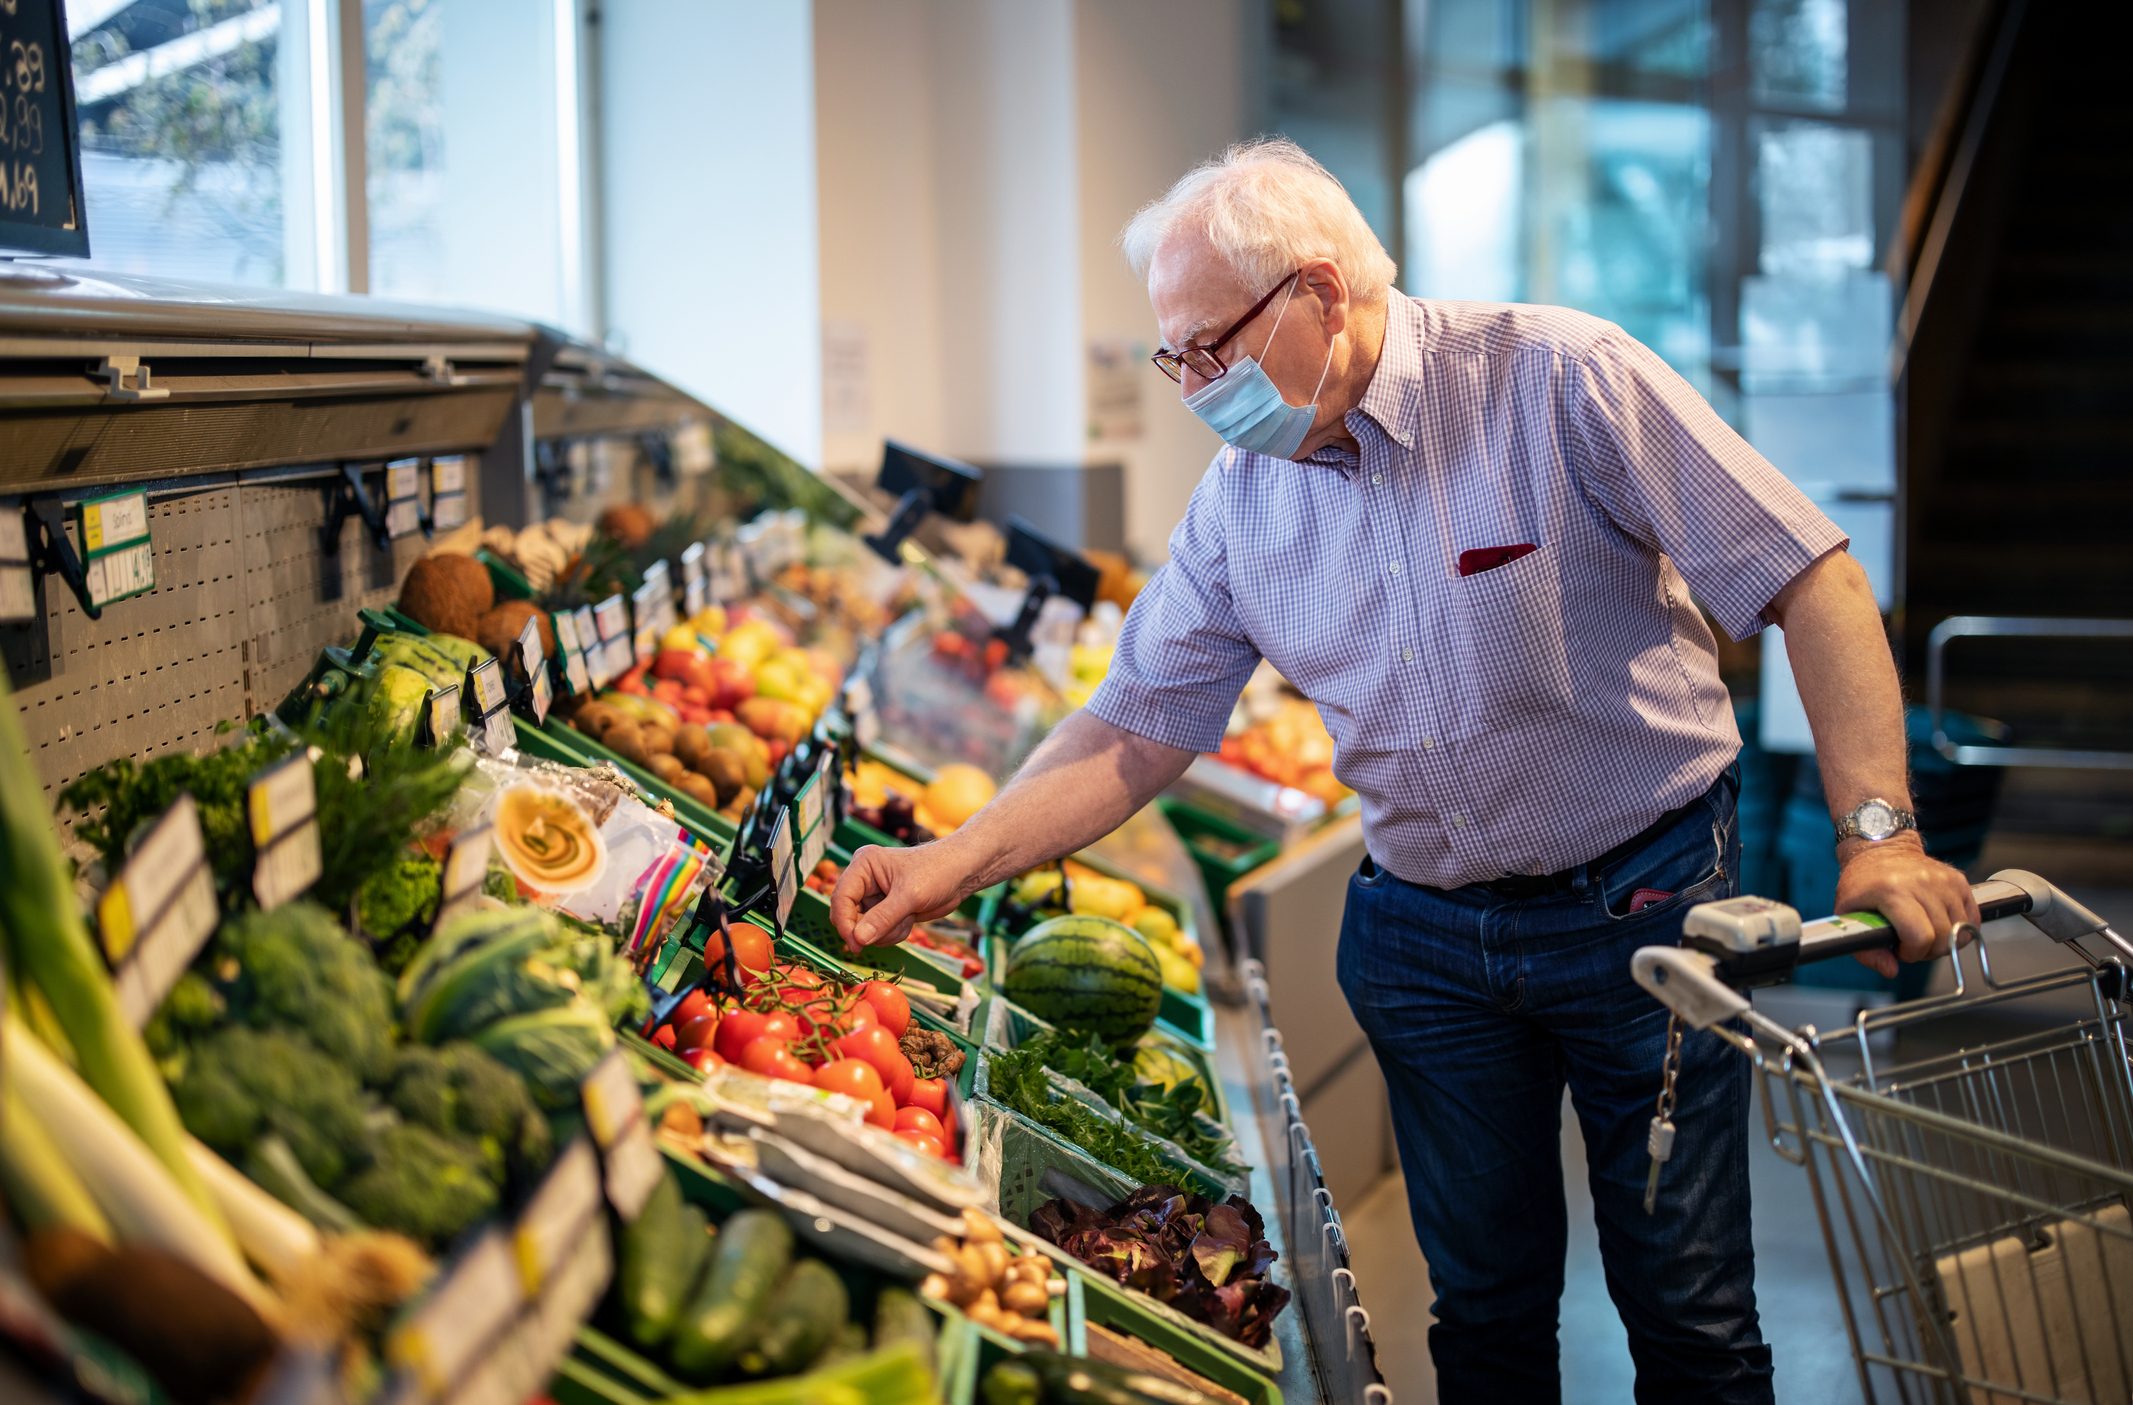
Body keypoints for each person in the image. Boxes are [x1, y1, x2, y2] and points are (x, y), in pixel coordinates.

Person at [828, 137, 1979, 1404]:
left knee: (1687, 1308)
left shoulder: (1558, 378)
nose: (1197, 387)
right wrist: (951, 861)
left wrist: (1879, 831)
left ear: (1319, 292)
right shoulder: (1239, 503)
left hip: (1645, 906)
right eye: (1177, 359)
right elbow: (1131, 729)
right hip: (1426, 937)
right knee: (1481, 1315)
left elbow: (1809, 574)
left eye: (1213, 346)